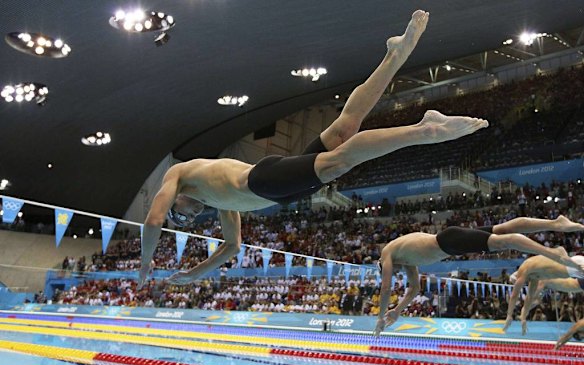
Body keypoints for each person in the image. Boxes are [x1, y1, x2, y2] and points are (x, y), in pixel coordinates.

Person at [138, 10, 490, 287]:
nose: (190, 216)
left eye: (181, 214)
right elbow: (232, 246)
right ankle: (395, 55)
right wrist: (196, 272)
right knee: (343, 129)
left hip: (266, 181)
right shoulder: (219, 204)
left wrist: (145, 264)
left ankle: (423, 130)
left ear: (172, 198)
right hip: (277, 184)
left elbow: (153, 220)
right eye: (187, 220)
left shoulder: (178, 174)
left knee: (338, 162)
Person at [373, 216, 584, 336]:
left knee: (504, 240)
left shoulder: (387, 255)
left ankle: (553, 253)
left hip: (449, 241)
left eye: (393, 272)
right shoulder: (405, 260)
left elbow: (385, 289)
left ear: (382, 266)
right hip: (451, 242)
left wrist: (381, 317)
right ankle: (556, 223)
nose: (397, 272)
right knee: (502, 229)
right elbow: (414, 289)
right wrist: (397, 310)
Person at [502, 255, 584, 334]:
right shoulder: (534, 275)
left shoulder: (526, 268)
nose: (526, 283)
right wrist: (523, 317)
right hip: (574, 269)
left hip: (575, 264)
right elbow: (529, 297)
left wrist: (509, 315)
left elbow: (514, 296)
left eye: (523, 283)